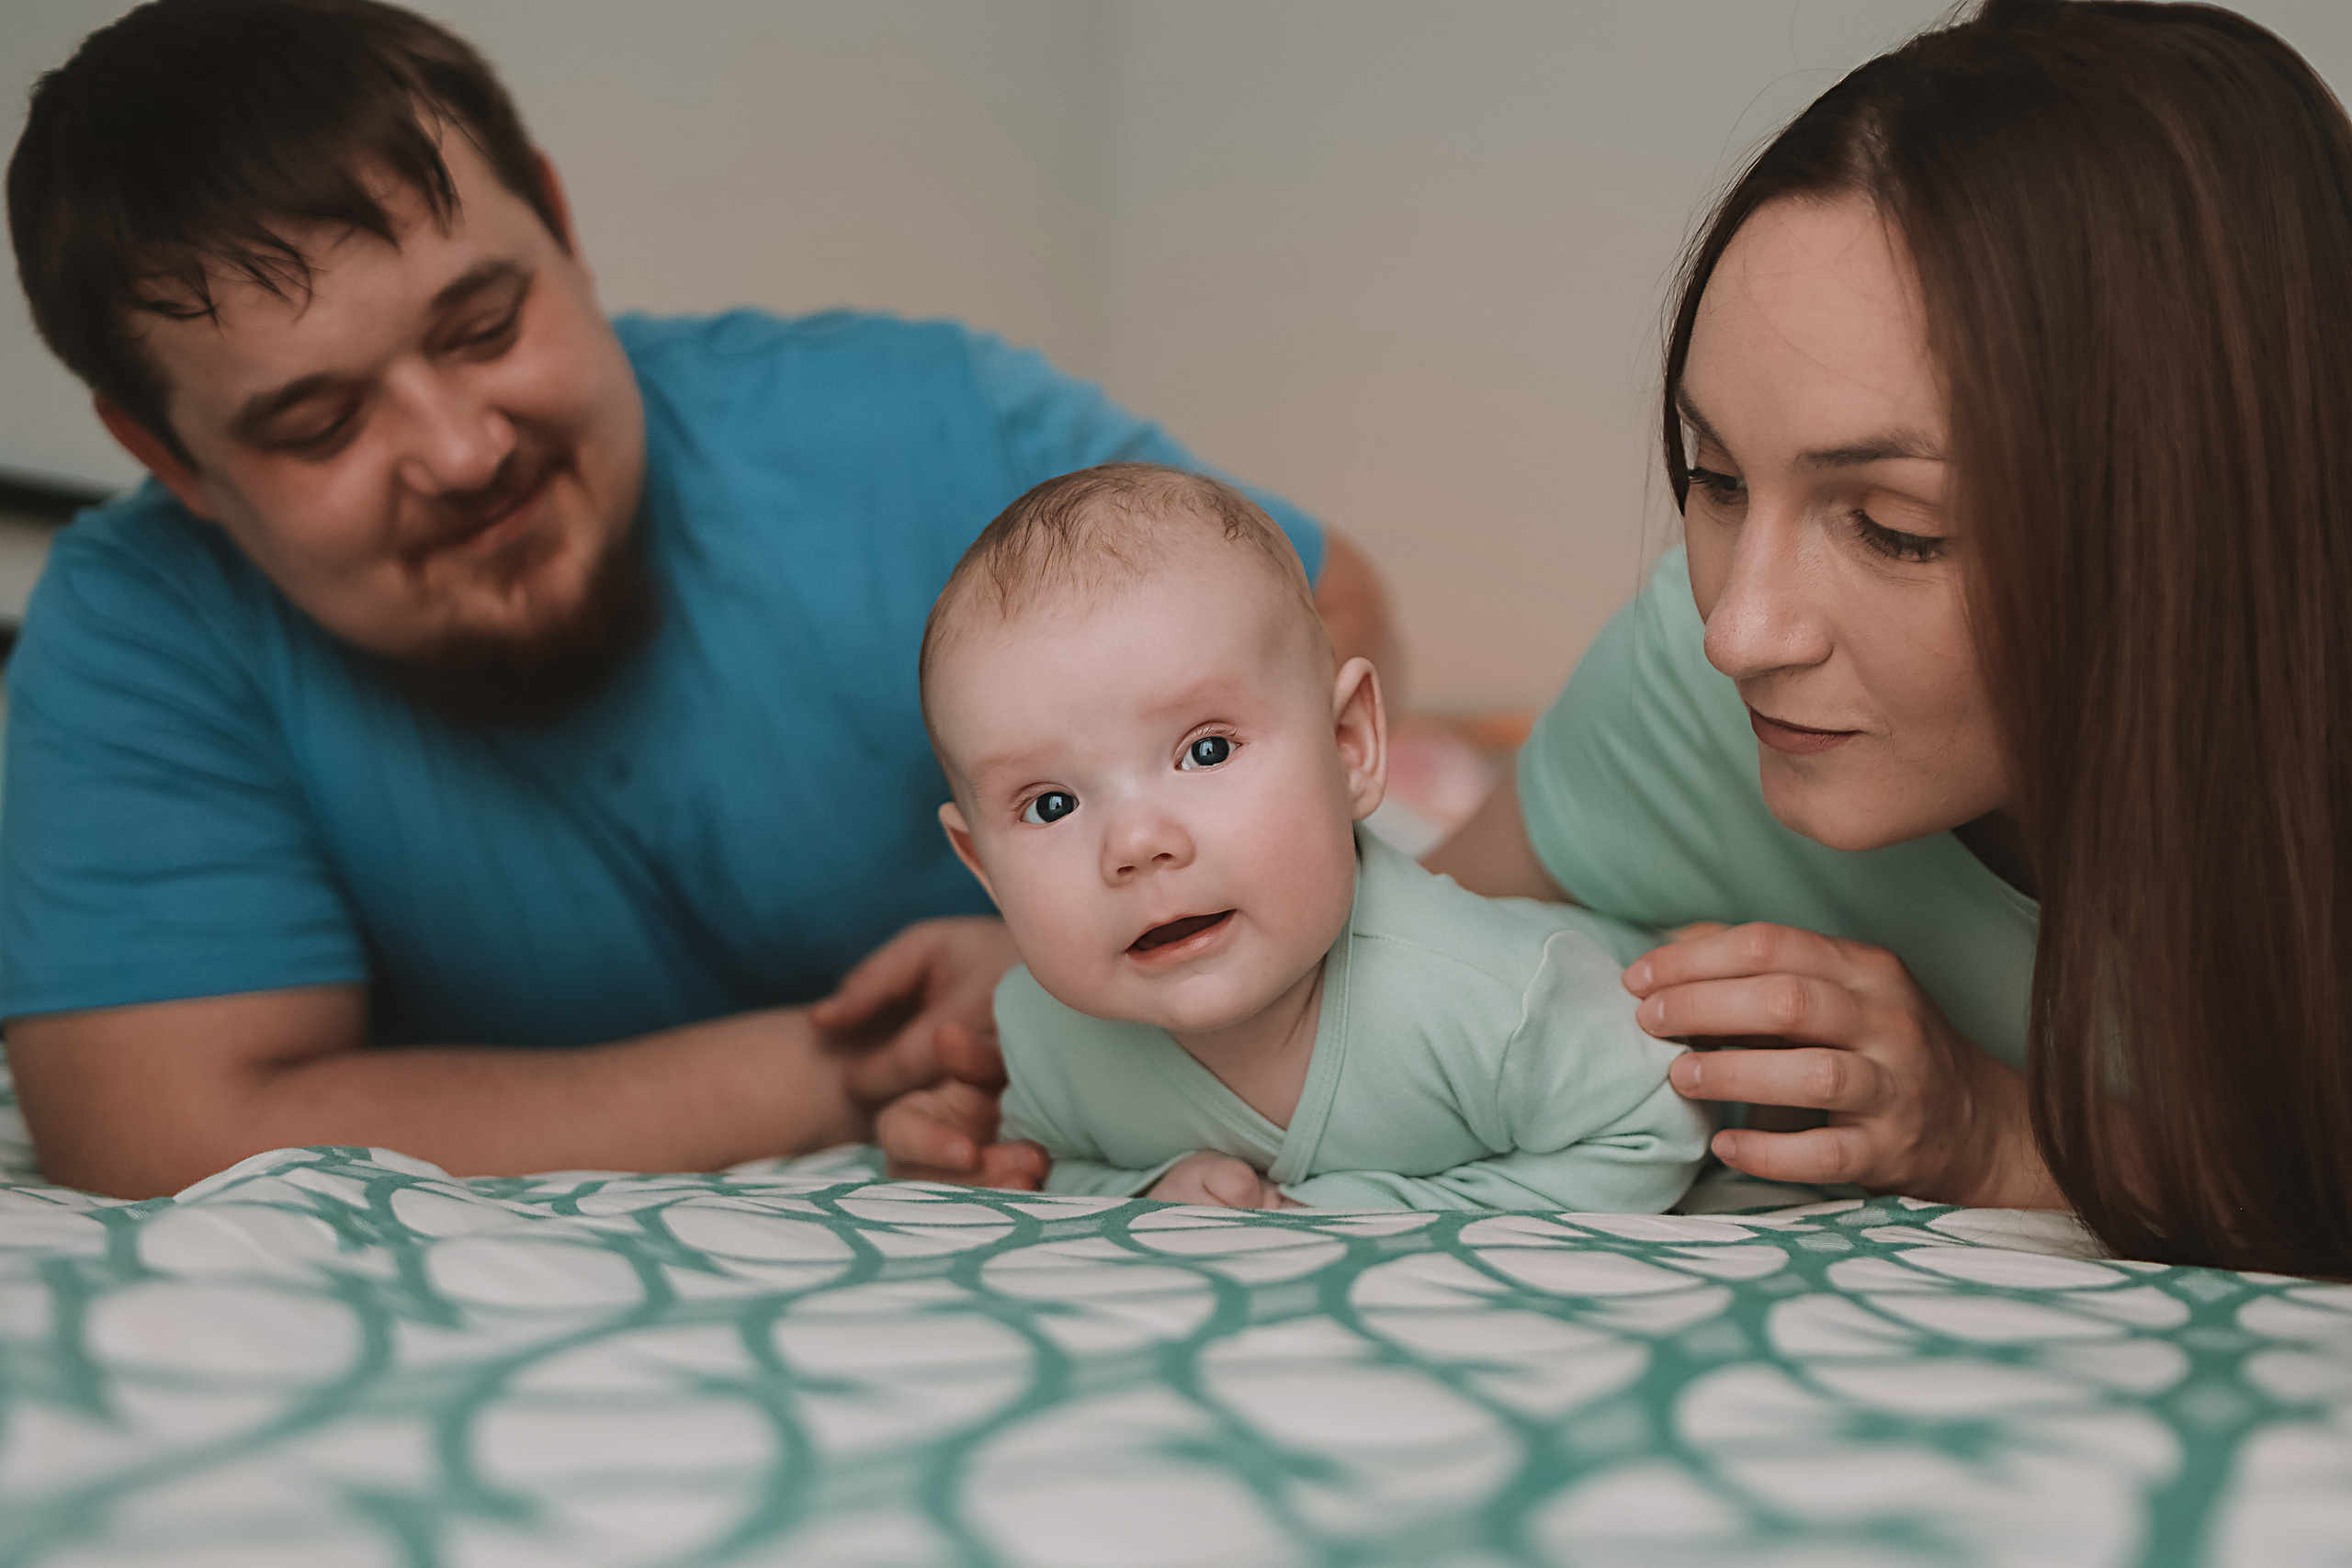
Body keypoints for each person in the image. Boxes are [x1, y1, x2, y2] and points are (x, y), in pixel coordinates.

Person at [894, 0, 2352, 1278]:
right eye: (1714, 480)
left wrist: (1995, 1127)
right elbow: (1387, 984)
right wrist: (1106, 1066)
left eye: (1895, 525)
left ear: (2196, 518)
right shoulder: (1685, 682)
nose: (1738, 628)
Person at [0, 0, 1392, 1199]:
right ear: (169, 455)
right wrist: (922, 1048)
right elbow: (157, 1124)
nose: (461, 450)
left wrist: (1094, 951)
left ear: (560, 225)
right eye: (319, 424)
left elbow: (1336, 609)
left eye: (485, 326)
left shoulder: (912, 423)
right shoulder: (143, 629)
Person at [919, 464, 1708, 1211]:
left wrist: (1334, 1208)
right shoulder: (1044, 1039)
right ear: (983, 865)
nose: (1135, 842)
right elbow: (1049, 1163)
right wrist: (1149, 1188)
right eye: (1051, 805)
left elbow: (1652, 1126)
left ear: (1348, 746)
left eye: (1207, 750)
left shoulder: (1494, 999)